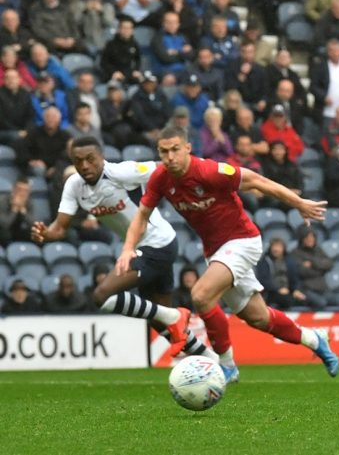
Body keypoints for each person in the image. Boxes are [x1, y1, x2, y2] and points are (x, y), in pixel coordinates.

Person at [115, 126, 339, 378]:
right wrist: (127, 249)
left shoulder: (210, 171)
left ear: (188, 148)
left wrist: (298, 203)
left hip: (243, 241)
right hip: (216, 251)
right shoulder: (160, 178)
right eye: (163, 151)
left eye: (175, 149)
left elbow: (258, 181)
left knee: (200, 296)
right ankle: (315, 339)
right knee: (258, 318)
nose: (169, 157)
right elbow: (141, 216)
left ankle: (227, 365)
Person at [29, 137, 224, 373]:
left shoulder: (123, 172)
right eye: (78, 161)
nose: (85, 166)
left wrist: (203, 172)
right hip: (147, 248)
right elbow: (59, 228)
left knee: (102, 295)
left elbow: (164, 167)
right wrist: (45, 234)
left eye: (90, 159)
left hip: (158, 244)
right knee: (162, 324)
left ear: (101, 157)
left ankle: (174, 316)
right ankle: (214, 360)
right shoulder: (74, 185)